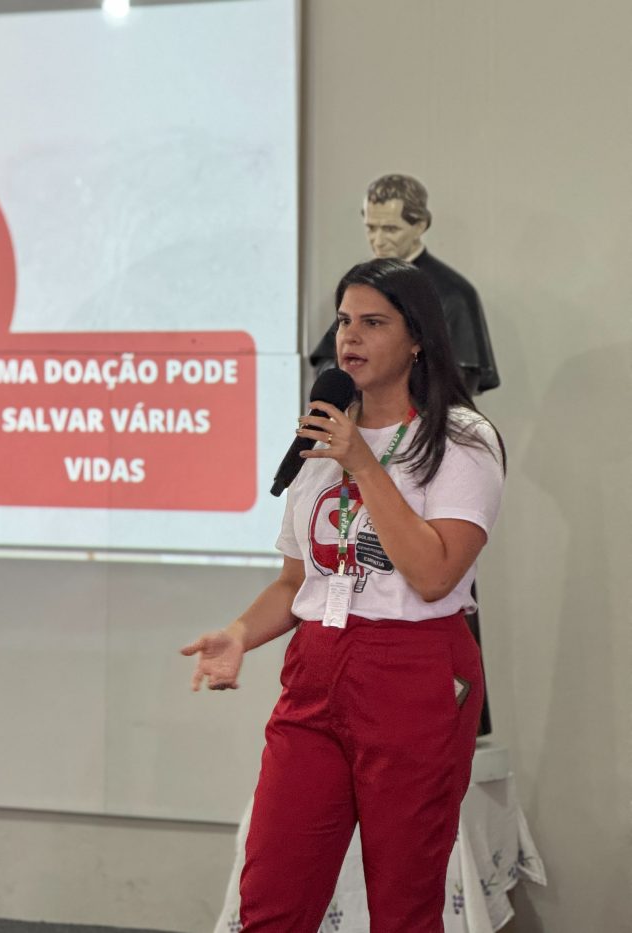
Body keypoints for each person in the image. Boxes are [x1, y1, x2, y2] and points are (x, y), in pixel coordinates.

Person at [182, 258, 505, 932]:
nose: (350, 337)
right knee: (272, 895)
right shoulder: (323, 435)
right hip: (316, 671)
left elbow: (435, 574)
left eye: (373, 322)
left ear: (417, 340)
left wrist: (361, 461)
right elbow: (296, 581)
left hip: (415, 674)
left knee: (404, 905)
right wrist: (239, 633)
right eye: (344, 321)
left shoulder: (461, 438)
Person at [310, 173, 500, 396]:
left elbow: (458, 381)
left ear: (419, 226)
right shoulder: (364, 286)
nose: (378, 241)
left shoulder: (453, 293)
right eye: (371, 228)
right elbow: (327, 362)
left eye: (390, 229)